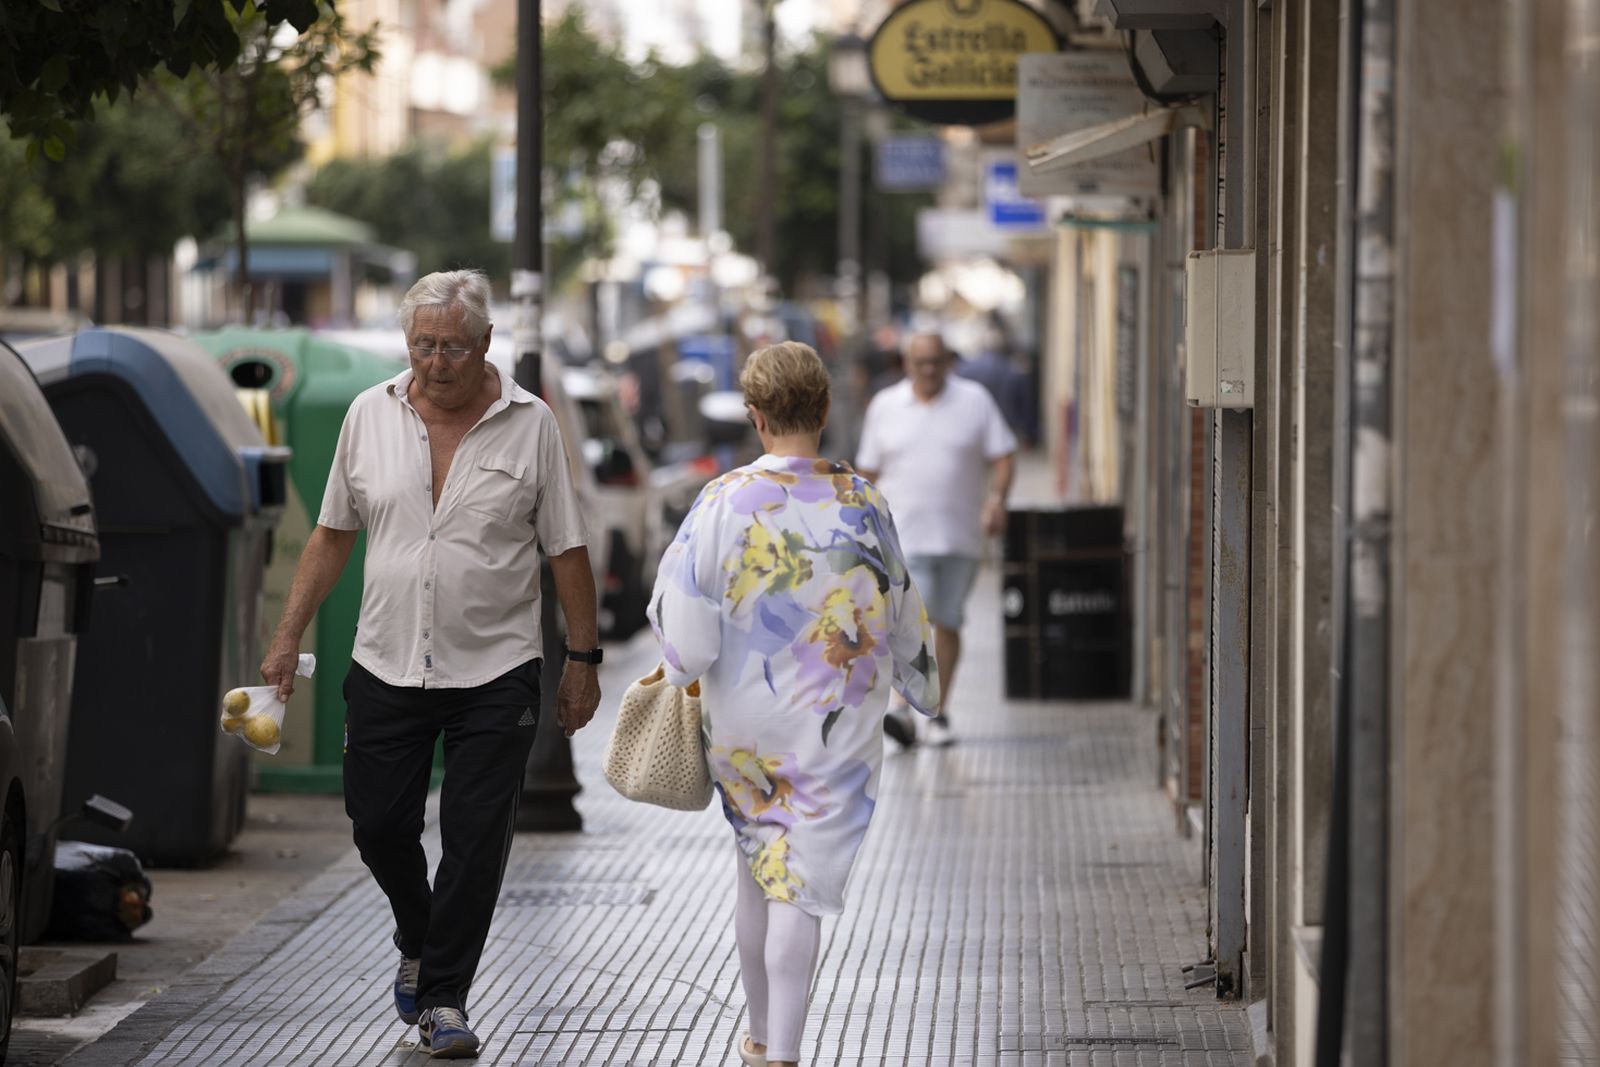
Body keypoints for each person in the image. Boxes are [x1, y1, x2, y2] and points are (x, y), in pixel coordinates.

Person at [259, 270, 602, 1060]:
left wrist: (581, 660)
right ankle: (418, 934)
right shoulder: (367, 415)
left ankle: (444, 996)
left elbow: (566, 548)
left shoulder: (532, 424)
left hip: (497, 668)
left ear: (485, 344)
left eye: (451, 345)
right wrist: (287, 636)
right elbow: (331, 534)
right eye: (422, 344)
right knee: (378, 824)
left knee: (476, 838)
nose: (435, 360)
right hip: (385, 661)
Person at [648, 341, 939, 1067]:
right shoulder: (864, 502)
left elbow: (685, 637)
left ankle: (756, 1037)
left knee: (755, 861)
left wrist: (688, 664)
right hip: (833, 726)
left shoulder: (720, 500)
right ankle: (782, 1052)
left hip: (745, 723)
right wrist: (921, 689)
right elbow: (901, 608)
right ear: (826, 408)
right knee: (797, 884)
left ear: (755, 416)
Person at [856, 329, 1018, 748]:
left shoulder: (974, 400)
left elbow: (1003, 455)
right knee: (916, 621)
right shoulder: (886, 406)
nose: (928, 370)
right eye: (920, 362)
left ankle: (938, 712)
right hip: (903, 538)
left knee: (947, 624)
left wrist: (997, 500)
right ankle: (904, 710)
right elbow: (868, 471)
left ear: (948, 362)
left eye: (936, 362)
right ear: (907, 365)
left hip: (961, 536)